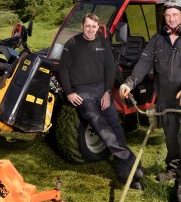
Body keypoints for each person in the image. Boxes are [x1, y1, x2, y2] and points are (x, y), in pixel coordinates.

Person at [119, 0, 181, 202]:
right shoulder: (157, 40)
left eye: (175, 14)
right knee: (170, 136)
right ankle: (173, 167)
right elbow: (144, 63)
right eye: (168, 15)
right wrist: (130, 82)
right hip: (165, 99)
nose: (171, 19)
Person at [58, 13, 144, 189]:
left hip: (101, 90)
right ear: (82, 26)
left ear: (98, 28)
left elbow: (109, 69)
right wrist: (69, 93)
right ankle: (130, 159)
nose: (90, 30)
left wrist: (107, 92)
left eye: (94, 27)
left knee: (114, 125)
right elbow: (63, 69)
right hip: (83, 92)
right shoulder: (72, 44)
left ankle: (123, 170)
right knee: (99, 123)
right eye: (88, 26)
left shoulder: (103, 43)